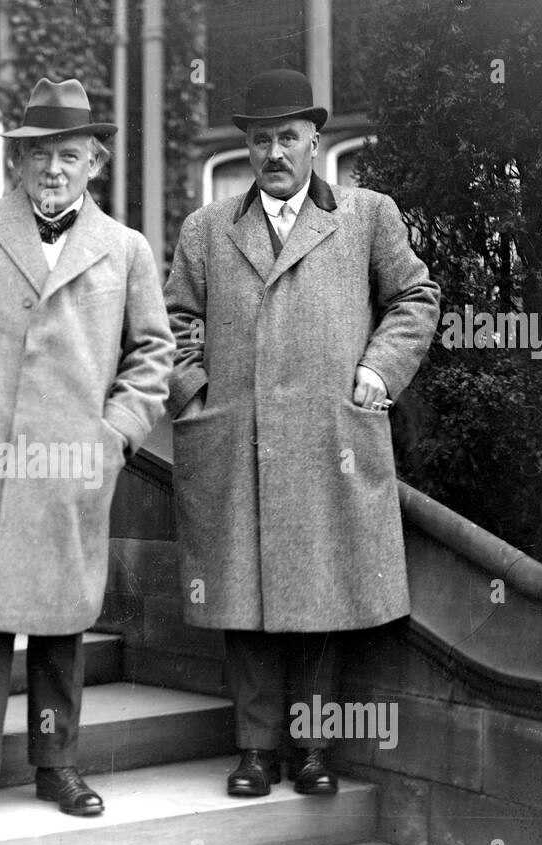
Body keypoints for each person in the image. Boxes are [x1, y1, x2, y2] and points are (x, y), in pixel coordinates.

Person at [0, 78, 174, 829]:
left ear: (95, 162)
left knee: (60, 622)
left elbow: (153, 354)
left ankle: (58, 766)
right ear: (17, 163)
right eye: (39, 155)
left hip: (71, 463)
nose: (54, 168)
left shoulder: (126, 249)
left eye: (70, 154)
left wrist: (116, 434)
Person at [164, 70, 440, 797]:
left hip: (329, 439)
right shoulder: (206, 229)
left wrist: (380, 371)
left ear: (315, 141)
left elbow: (416, 295)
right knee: (246, 599)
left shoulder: (367, 215)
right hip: (240, 442)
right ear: (248, 148)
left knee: (323, 593)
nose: (274, 152)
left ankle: (314, 749)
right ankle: (255, 750)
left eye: (288, 137)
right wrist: (199, 397)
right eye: (261, 139)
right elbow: (176, 324)